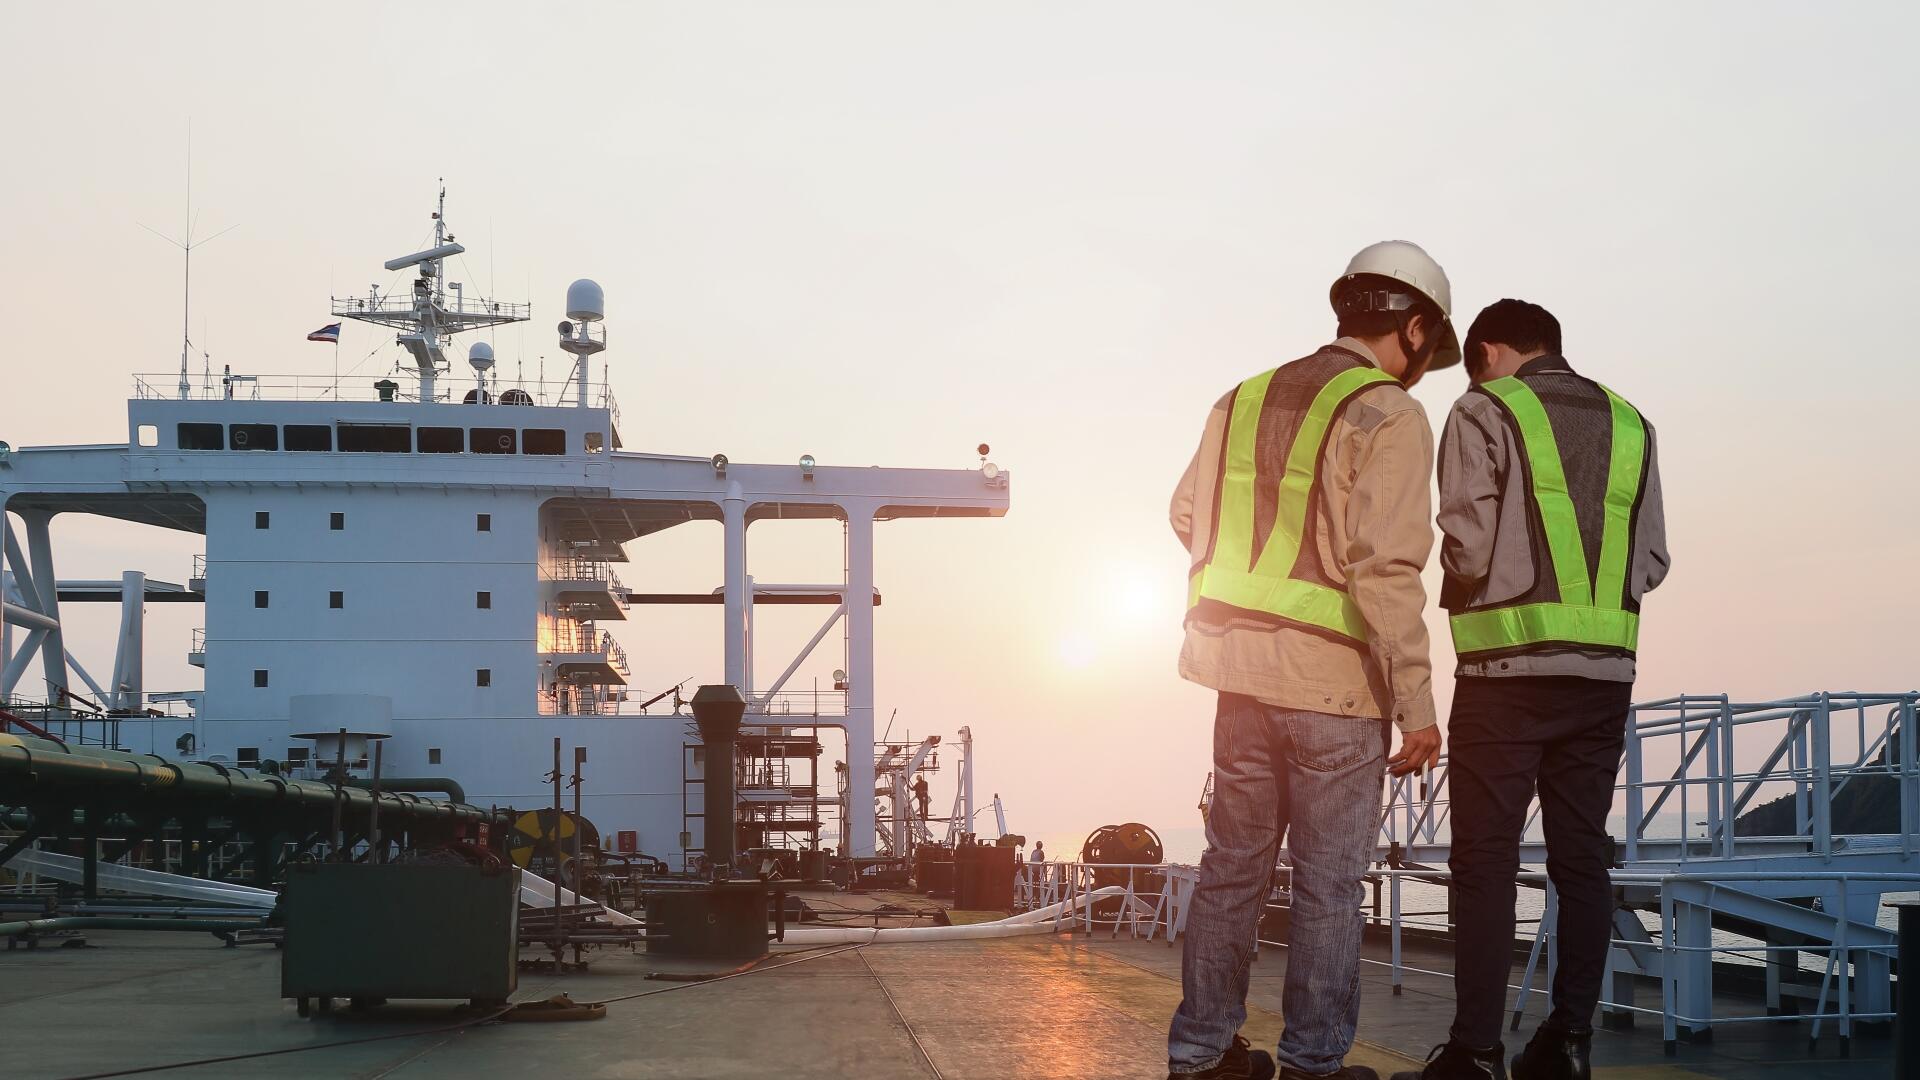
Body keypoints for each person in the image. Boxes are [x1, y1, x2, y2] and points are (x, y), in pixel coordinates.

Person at [1167, 241, 1456, 1080]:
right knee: (1329, 889)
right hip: (1334, 686)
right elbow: (1387, 569)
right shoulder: (1389, 413)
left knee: (1231, 872)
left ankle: (1199, 1057)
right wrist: (1419, 706)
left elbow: (1186, 511)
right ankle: (1313, 1065)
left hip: (1236, 675)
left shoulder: (1241, 398)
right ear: (1412, 327)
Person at [1393, 300, 1668, 1080]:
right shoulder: (1632, 421)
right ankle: (1568, 1045)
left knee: (1484, 860)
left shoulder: (1483, 407)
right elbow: (1651, 560)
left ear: (1488, 350)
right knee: (1583, 859)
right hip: (1604, 675)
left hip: (1504, 675)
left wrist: (1465, 591)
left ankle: (1476, 1051)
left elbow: (1468, 540)